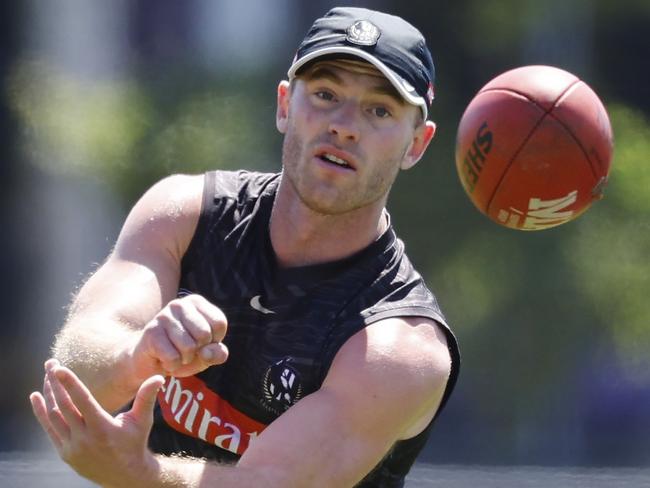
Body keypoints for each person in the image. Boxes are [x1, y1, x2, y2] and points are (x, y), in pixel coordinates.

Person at [30, 7, 460, 487]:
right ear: (284, 105)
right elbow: (72, 370)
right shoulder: (186, 215)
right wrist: (140, 353)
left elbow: (273, 481)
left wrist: (140, 473)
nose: (344, 125)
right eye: (325, 94)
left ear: (416, 144)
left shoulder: (401, 344)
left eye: (379, 110)